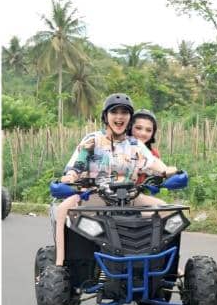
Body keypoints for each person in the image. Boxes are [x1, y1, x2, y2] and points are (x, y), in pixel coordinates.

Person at [52, 94, 178, 268]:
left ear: (129, 118)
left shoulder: (135, 144)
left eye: (124, 112)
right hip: (94, 196)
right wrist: (71, 176)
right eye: (114, 112)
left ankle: (168, 267)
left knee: (168, 212)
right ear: (106, 116)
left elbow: (155, 163)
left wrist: (168, 171)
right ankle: (60, 264)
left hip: (131, 197)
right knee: (63, 210)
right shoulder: (93, 140)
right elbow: (78, 163)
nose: (119, 117)